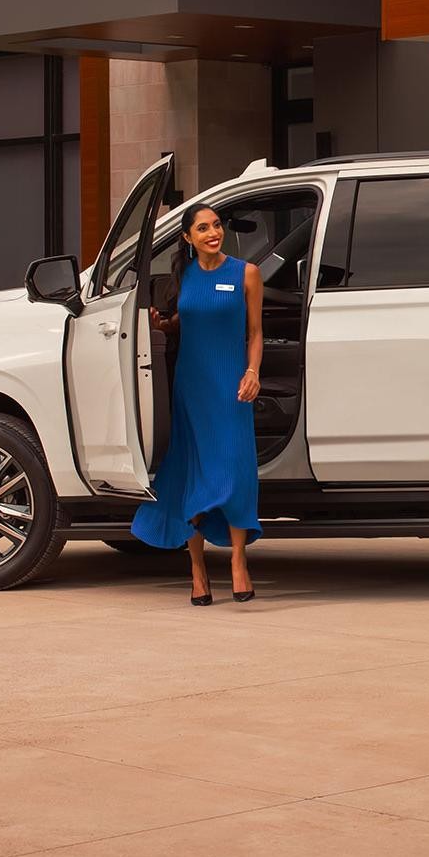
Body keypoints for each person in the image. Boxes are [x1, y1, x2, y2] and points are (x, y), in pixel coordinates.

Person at [131, 203, 264, 605]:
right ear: (188, 238)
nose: (213, 233)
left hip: (232, 386)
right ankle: (197, 568)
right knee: (190, 472)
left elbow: (255, 333)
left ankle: (239, 560)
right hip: (191, 386)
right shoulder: (181, 277)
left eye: (217, 225)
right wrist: (162, 324)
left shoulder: (245, 273)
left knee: (236, 469)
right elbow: (184, 323)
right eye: (203, 228)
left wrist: (253, 371)